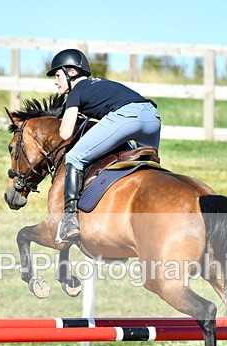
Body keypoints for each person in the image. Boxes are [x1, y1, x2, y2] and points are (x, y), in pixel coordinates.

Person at [48, 49, 161, 243]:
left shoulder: (77, 91)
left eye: (58, 75)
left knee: (75, 157)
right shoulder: (101, 84)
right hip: (152, 118)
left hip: (128, 118)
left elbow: (65, 133)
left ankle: (70, 219)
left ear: (72, 72)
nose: (55, 81)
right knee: (149, 165)